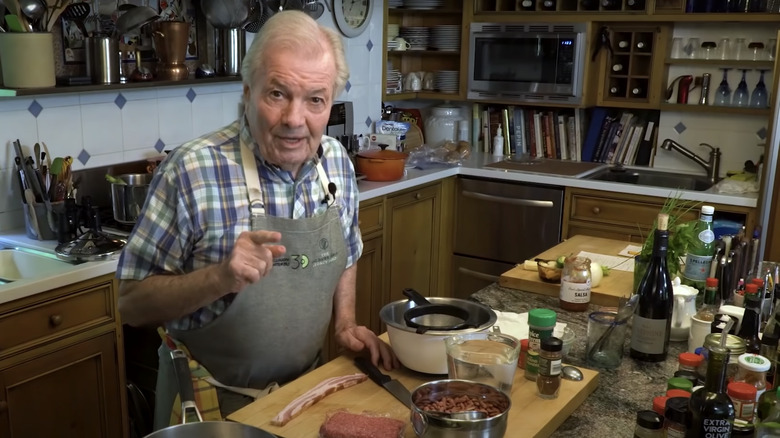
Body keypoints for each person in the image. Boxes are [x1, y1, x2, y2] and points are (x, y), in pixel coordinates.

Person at [116, 10, 397, 430]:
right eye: (278, 94)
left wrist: (344, 324)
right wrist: (220, 277)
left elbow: (348, 250)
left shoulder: (335, 162)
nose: (294, 120)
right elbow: (130, 303)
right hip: (209, 407)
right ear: (248, 92)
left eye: (315, 100)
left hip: (303, 396)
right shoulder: (192, 170)